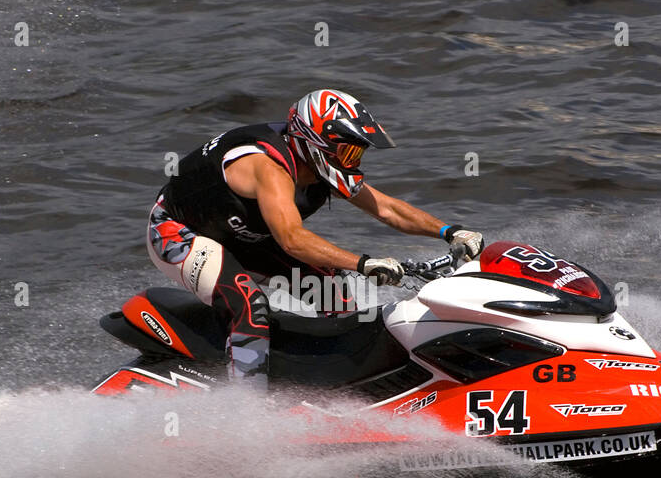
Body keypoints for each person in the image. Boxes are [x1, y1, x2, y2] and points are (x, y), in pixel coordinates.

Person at [146, 88, 484, 382]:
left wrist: (450, 231)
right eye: (349, 151)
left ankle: (339, 381)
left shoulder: (322, 163)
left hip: (243, 235)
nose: (354, 160)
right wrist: (364, 263)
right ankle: (247, 408)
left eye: (358, 152)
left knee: (332, 289)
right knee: (249, 304)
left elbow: (386, 208)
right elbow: (292, 239)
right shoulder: (270, 167)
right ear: (315, 143)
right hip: (177, 232)